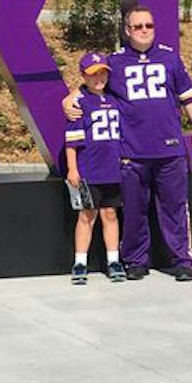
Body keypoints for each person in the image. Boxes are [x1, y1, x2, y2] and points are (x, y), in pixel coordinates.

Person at [65, 6, 192, 282]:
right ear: (127, 30)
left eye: (149, 26)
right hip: (131, 152)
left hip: (169, 149)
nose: (144, 30)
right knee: (133, 210)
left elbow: (188, 96)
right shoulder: (116, 62)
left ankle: (182, 260)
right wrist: (69, 98)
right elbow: (93, 81)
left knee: (174, 208)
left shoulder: (169, 58)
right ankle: (135, 261)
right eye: (138, 26)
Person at [63, 52, 127, 285]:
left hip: (113, 169)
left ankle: (113, 260)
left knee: (110, 214)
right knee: (86, 215)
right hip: (90, 169)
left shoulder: (116, 100)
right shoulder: (79, 103)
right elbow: (72, 141)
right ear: (83, 76)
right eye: (93, 74)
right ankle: (80, 262)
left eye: (102, 73)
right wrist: (73, 169)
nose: (98, 78)